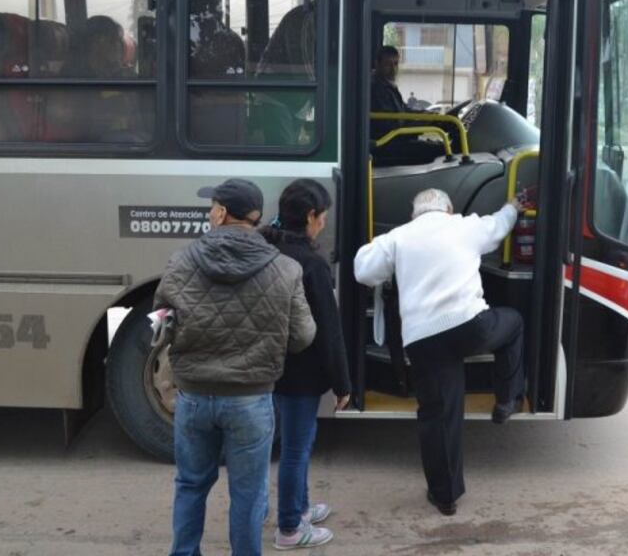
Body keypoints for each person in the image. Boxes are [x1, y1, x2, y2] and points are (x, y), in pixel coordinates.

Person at [154, 178, 316, 556]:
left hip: (193, 396)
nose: (210, 212)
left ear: (222, 213)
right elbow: (304, 335)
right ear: (256, 217)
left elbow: (161, 322)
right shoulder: (286, 268)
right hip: (251, 398)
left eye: (212, 206)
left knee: (191, 484)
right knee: (247, 493)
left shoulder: (181, 261)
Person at [353, 189, 526, 516]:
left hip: (423, 338)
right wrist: (512, 206)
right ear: (448, 208)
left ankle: (445, 496)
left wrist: (380, 245)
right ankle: (508, 399)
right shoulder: (464, 226)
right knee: (513, 323)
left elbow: (363, 271)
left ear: (413, 214)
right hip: (470, 326)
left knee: (439, 414)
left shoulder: (398, 236)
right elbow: (500, 224)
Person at [260, 179, 351, 550]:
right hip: (301, 372)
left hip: (270, 366)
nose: (324, 224)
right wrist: (343, 382)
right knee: (297, 448)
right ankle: (289, 529)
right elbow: (329, 330)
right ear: (310, 216)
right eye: (323, 217)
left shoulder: (266, 249)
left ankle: (300, 507)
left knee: (296, 442)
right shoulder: (311, 264)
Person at [370, 46, 446, 165]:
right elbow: (390, 124)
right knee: (442, 150)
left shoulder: (387, 85)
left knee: (439, 146)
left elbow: (404, 110)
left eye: (395, 64)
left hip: (395, 140)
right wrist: (423, 122)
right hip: (388, 144)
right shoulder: (377, 89)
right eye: (388, 64)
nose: (393, 69)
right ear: (377, 63)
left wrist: (425, 115)